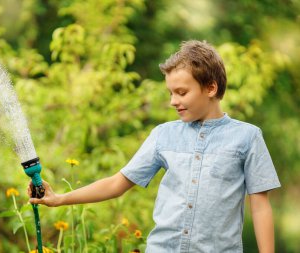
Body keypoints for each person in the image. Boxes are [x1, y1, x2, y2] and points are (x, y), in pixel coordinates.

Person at [28, 40, 281, 253]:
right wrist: (60, 198)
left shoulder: (247, 137)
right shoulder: (164, 135)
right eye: (170, 93)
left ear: (211, 88)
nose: (173, 101)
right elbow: (118, 183)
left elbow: (259, 206)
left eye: (181, 93)